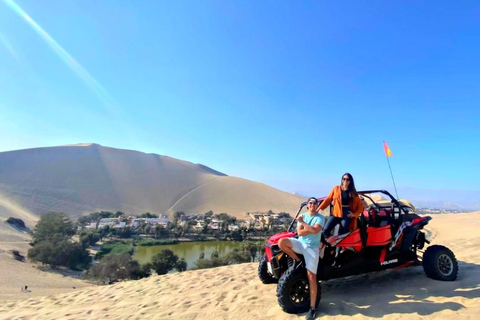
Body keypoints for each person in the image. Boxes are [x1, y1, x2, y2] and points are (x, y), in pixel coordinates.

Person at [278, 197, 326, 320]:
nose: (313, 205)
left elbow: (315, 231)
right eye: (310, 203)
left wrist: (304, 224)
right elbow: (300, 233)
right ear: (307, 206)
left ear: (317, 206)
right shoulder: (304, 215)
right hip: (300, 243)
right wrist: (308, 229)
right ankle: (297, 260)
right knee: (281, 242)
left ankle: (312, 308)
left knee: (312, 277)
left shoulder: (320, 218)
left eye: (315, 203)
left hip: (312, 248)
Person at [318, 173, 364, 239]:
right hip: (336, 212)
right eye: (344, 179)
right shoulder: (336, 188)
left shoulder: (353, 192)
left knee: (342, 233)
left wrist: (354, 214)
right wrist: (319, 208)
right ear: (342, 180)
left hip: (346, 212)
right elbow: (328, 199)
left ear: (350, 181)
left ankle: (339, 249)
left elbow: (360, 206)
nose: (345, 181)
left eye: (347, 179)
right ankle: (330, 243)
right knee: (325, 230)